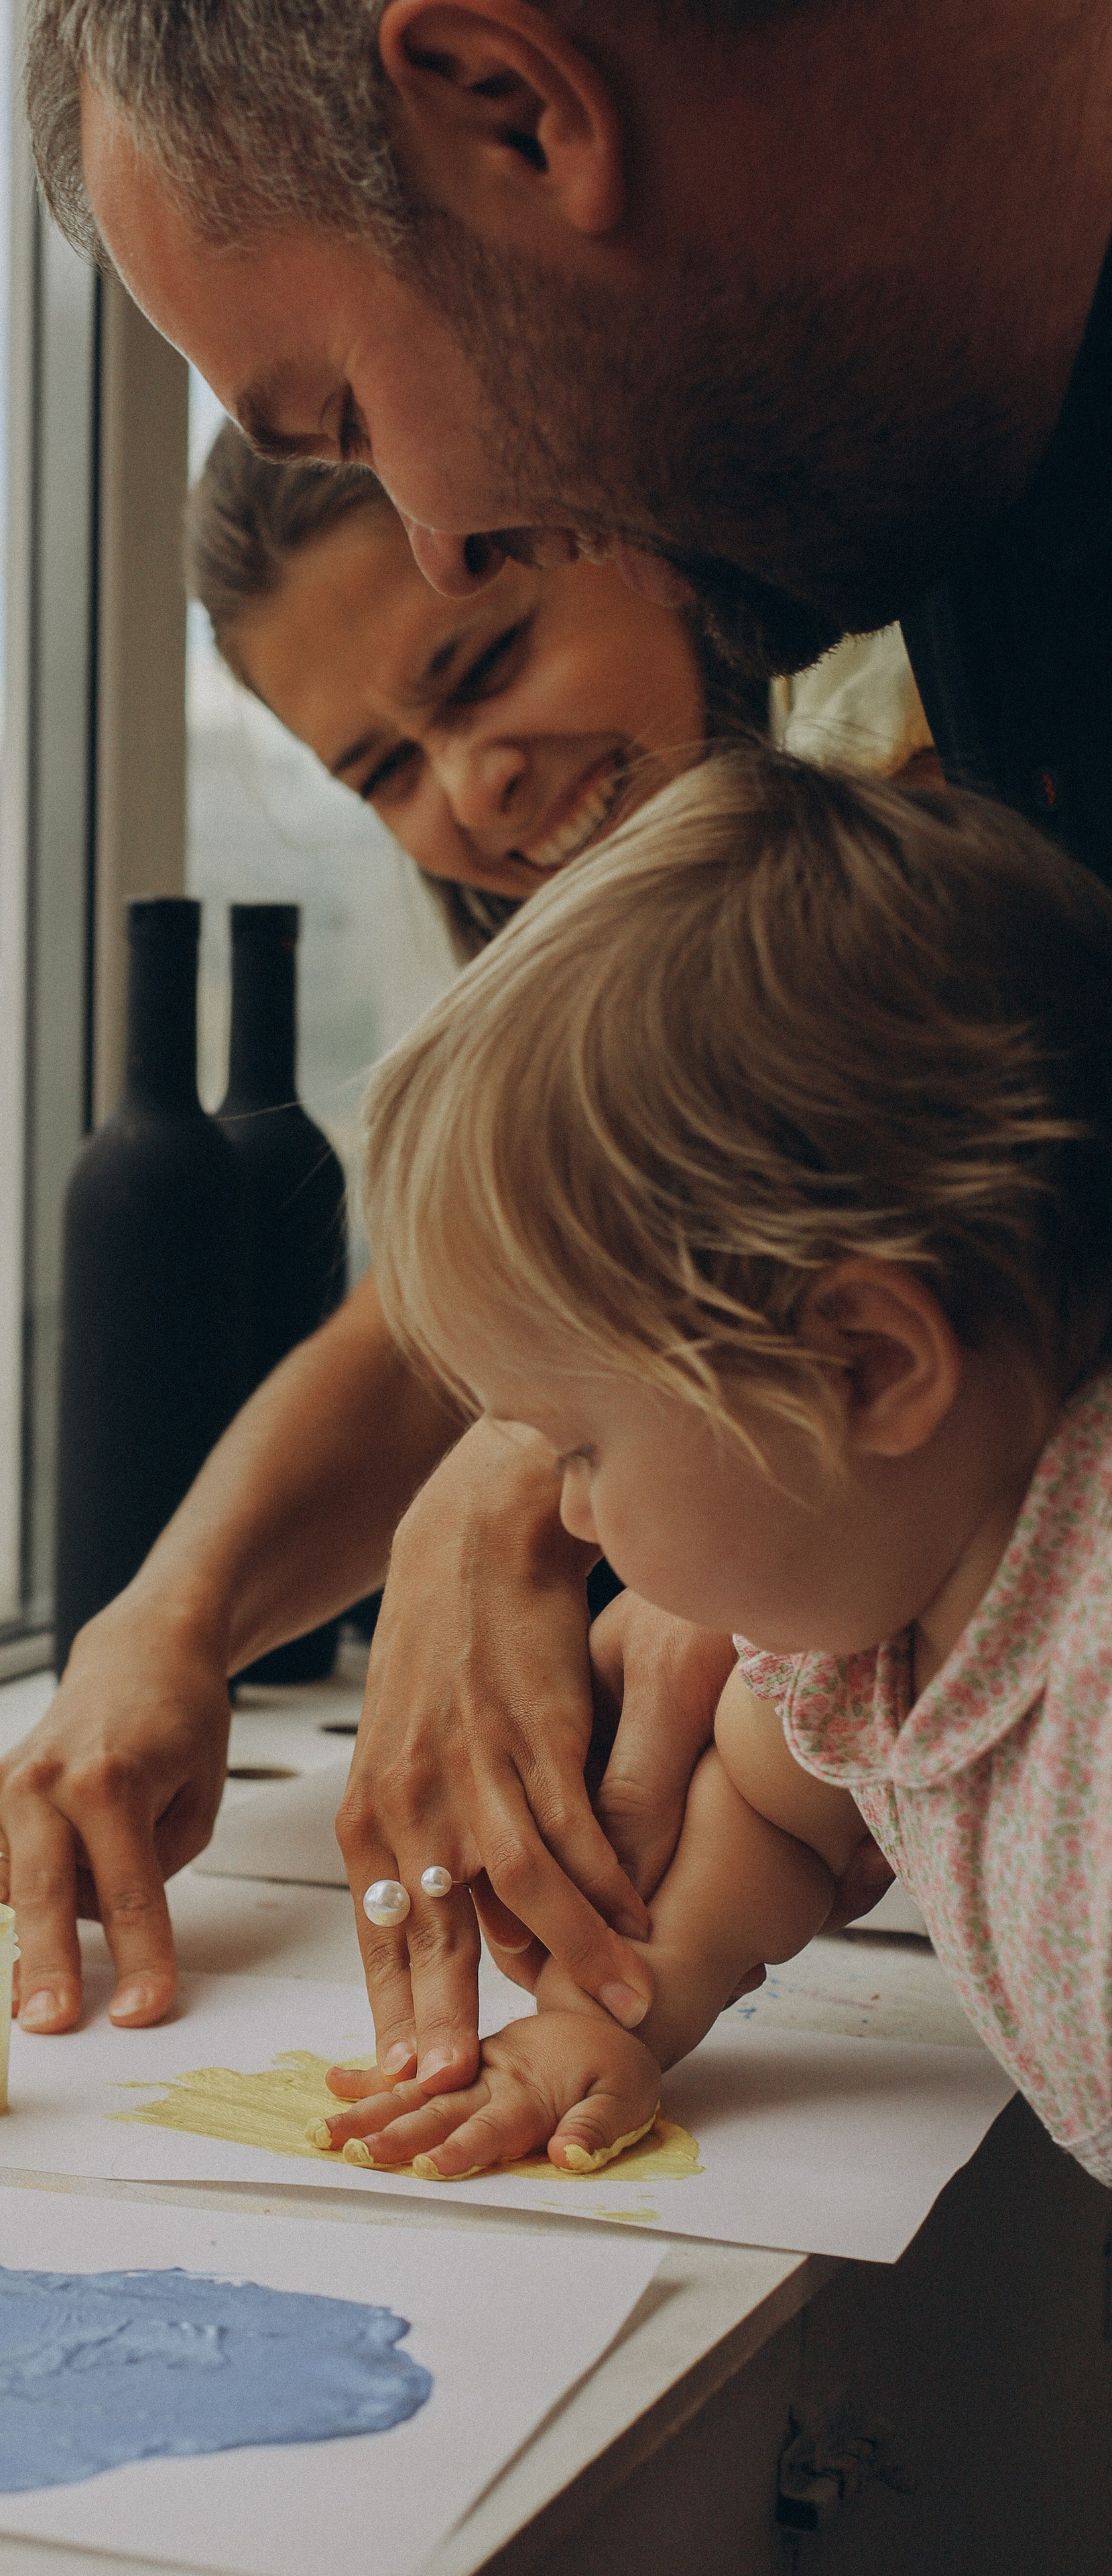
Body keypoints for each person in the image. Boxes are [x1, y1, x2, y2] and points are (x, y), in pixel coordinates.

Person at [0, 428, 924, 2069]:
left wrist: (516, 1475)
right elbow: (426, 1332)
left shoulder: (915, 798)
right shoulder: (594, 985)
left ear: (640, 529)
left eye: (479, 666)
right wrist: (158, 1625)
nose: (467, 791)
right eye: (381, 770)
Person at [320, 750, 1112, 2183]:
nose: (562, 1509)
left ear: (865, 1367)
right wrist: (608, 2013)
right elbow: (766, 1819)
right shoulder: (868, 1625)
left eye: (578, 1443)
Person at [29, 0, 1112, 873]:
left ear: (511, 109)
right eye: (379, 774)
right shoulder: (941, 495)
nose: (446, 552)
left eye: (348, 420)